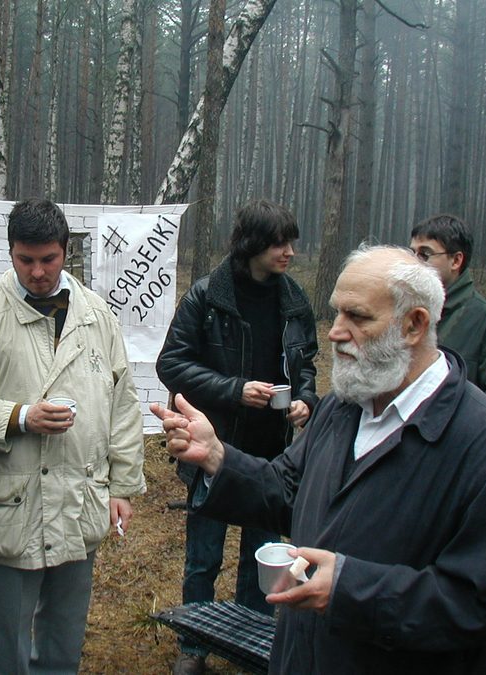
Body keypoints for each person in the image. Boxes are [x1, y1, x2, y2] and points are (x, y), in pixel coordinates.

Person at [151, 244, 486, 674]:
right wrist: (217, 457)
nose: (334, 332)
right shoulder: (343, 407)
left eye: (357, 317)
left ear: (415, 325)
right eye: (336, 312)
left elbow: (480, 606)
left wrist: (349, 590)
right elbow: (288, 491)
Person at [0, 198, 146, 675]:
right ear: (11, 253)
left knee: (64, 634)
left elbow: (122, 404)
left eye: (48, 259)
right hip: (13, 499)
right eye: (25, 260)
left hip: (80, 497)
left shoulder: (96, 315)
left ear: (65, 252)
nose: (37, 272)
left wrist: (122, 486)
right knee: (7, 635)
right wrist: (18, 417)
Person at [156, 199, 318, 674]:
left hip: (271, 454)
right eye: (278, 243)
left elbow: (304, 363)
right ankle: (193, 647)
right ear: (252, 244)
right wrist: (233, 390)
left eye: (291, 242)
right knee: (203, 557)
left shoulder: (294, 300)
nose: (289, 252)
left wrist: (305, 397)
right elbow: (172, 363)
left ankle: (250, 642)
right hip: (212, 445)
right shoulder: (208, 296)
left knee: (263, 559)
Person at [410, 214, 486, 428]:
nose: (415, 262)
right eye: (412, 253)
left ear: (456, 260)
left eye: (424, 254)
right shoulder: (406, 314)